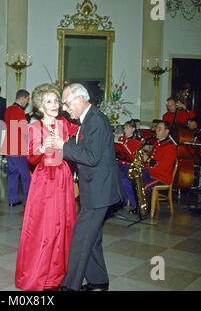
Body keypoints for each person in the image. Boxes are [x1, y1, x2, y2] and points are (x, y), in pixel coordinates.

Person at [50, 83, 123, 291]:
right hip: (94, 189)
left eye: (66, 102)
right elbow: (87, 151)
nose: (65, 108)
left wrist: (63, 146)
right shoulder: (89, 119)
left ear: (79, 100)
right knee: (92, 238)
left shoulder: (96, 120)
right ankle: (98, 282)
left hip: (99, 191)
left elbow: (91, 157)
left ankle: (69, 286)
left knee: (81, 238)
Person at [15, 83, 79, 291]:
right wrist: (42, 148)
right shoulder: (33, 127)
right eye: (49, 101)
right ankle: (40, 272)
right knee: (44, 227)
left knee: (64, 225)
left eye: (56, 100)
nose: (54, 104)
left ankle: (59, 273)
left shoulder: (64, 123)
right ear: (40, 107)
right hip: (44, 181)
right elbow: (30, 158)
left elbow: (82, 134)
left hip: (64, 177)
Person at [0, 89, 31, 207]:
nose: (27, 102)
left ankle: (12, 200)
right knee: (26, 176)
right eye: (27, 99)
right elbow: (23, 130)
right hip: (17, 147)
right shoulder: (19, 111)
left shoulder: (8, 109)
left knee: (12, 174)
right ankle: (28, 201)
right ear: (22, 98)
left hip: (8, 146)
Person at [116, 120, 142, 212]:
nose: (125, 130)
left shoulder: (136, 142)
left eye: (127, 128)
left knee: (124, 180)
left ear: (133, 129)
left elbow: (133, 157)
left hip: (128, 166)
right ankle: (117, 200)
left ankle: (134, 203)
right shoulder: (121, 139)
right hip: (119, 164)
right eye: (124, 128)